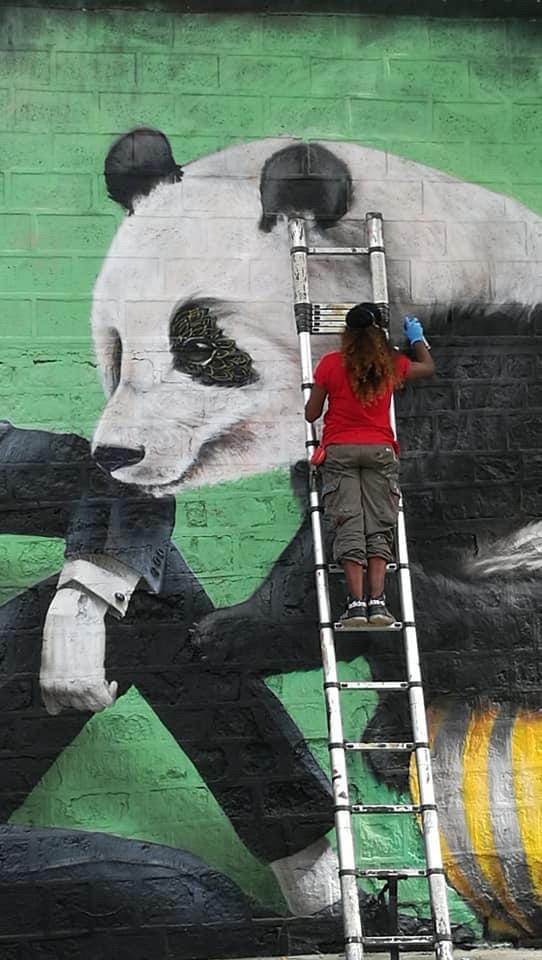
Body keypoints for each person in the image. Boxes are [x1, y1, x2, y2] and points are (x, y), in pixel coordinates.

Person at [304, 304, 434, 627]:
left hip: (340, 451)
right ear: (378, 333)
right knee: (379, 523)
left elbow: (311, 414)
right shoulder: (388, 364)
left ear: (347, 334)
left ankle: (356, 605)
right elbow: (427, 367)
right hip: (379, 450)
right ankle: (378, 602)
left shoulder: (332, 364)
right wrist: (417, 339)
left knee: (349, 522)